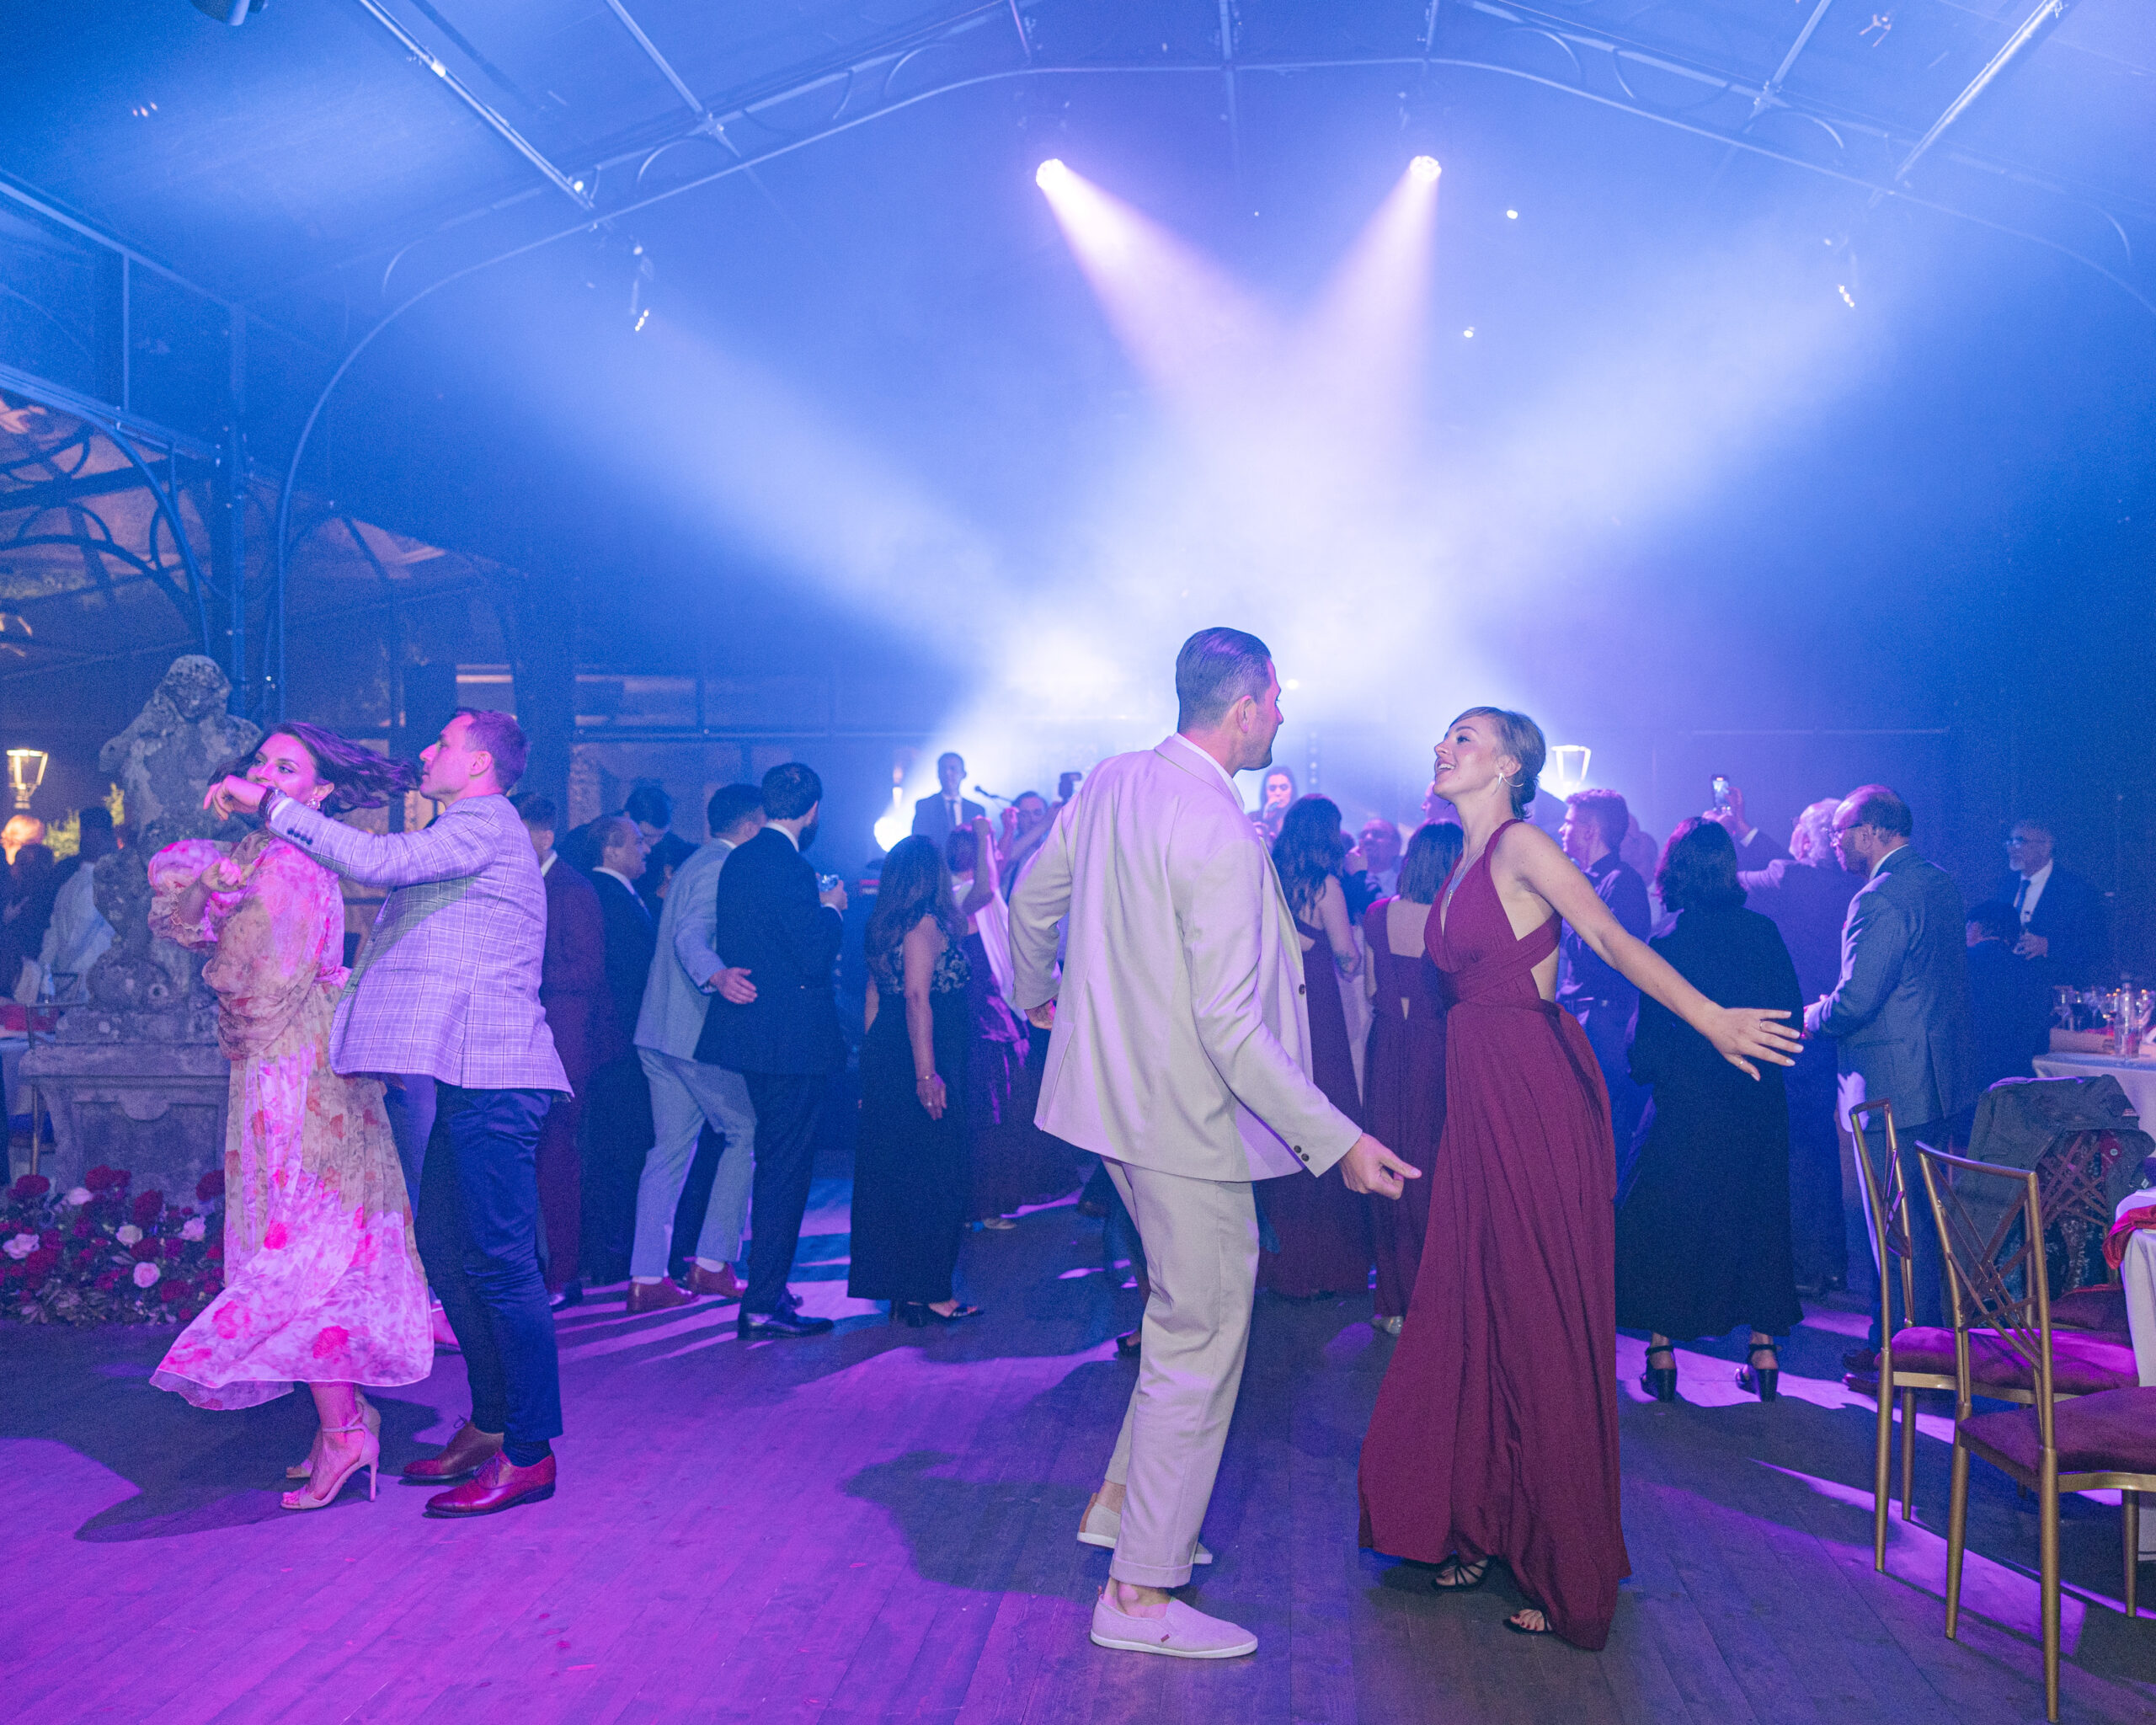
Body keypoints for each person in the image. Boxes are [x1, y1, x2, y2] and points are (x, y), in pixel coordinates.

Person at [1011, 627, 1416, 1661]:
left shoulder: (1110, 781)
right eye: (1276, 701)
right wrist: (1340, 1137)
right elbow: (1232, 1026)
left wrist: (1034, 997)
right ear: (1243, 707)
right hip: (1183, 1121)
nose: (1281, 717)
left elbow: (1030, 900)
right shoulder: (1222, 835)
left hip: (1112, 1108)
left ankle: (1117, 1502)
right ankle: (1139, 1592)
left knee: (1178, 1317)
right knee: (1201, 1337)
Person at [1359, 706, 1800, 1648]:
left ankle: (1567, 1565)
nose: (1445, 745)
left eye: (1467, 736)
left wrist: (1712, 1019)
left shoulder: (1522, 845)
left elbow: (1609, 938)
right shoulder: (1462, 863)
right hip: (1475, 1106)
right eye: (1443, 734)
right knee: (1471, 1311)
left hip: (1532, 1100)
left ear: (1513, 764)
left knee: (1534, 1316)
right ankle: (1475, 1522)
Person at [205, 708, 571, 1519]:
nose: (427, 753)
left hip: (501, 1078)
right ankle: (491, 1421)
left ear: (478, 765)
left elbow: (375, 860)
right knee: (447, 1248)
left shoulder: (486, 822)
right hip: (469, 1077)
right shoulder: (469, 831)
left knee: (505, 1269)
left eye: (442, 743)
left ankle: (530, 1452)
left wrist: (269, 805)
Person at [152, 723, 430, 1510]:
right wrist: (208, 884)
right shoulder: (260, 858)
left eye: (285, 767)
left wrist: (217, 942)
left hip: (292, 1076)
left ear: (317, 792)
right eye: (259, 763)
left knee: (300, 1243)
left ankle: (345, 1434)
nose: (261, 775)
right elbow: (186, 923)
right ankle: (341, 1423)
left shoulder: (289, 863)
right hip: (292, 1065)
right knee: (309, 1241)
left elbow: (257, 981)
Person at [1615, 820, 1804, 1402]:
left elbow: (1644, 1055)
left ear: (1674, 872)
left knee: (1663, 1221)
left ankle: (1663, 1353)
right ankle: (1764, 1352)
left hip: (1688, 1110)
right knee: (1759, 1219)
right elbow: (1790, 1022)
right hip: (1754, 1102)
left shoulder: (1668, 943)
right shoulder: (1764, 932)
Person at [1803, 784, 1977, 1354]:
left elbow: (1856, 1002)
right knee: (1923, 1223)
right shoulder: (1939, 881)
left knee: (1894, 1229)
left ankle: (1901, 1353)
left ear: (1875, 831)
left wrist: (1804, 1017)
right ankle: (1916, 1342)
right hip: (1939, 1080)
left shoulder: (1878, 897)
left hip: (1891, 1087)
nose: (1835, 843)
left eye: (1842, 832)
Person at [696, 761, 848, 1340]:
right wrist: (831, 909)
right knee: (786, 1169)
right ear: (812, 811)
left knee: (771, 1160)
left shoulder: (738, 859)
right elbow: (812, 954)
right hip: (793, 1042)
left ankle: (767, 1287)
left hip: (749, 1031)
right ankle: (762, 1304)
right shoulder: (794, 867)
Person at [626, 783, 766, 1313]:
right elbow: (691, 934)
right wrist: (717, 975)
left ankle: (646, 1276)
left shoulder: (692, 861)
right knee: (744, 1131)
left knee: (668, 1153)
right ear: (751, 826)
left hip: (659, 1031)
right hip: (692, 1032)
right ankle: (710, 1264)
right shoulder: (720, 865)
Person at [1732, 795, 1860, 1297]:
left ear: (1807, 837)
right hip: (1832, 1027)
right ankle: (1829, 1260)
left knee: (1789, 1146)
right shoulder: (1852, 882)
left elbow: (1734, 883)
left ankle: (1796, 1264)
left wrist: (1734, 838)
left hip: (1789, 1028)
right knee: (1821, 1145)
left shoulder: (1788, 876)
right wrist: (1746, 829)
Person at [849, 835, 979, 1324]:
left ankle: (902, 1287)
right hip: (922, 1054)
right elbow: (917, 999)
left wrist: (870, 1076)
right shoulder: (924, 926)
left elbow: (872, 1000)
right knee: (936, 1174)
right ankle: (932, 1291)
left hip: (887, 1054)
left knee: (893, 1176)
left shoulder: (882, 927)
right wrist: (926, 1073)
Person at [1259, 794, 1372, 1299]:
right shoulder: (1327, 886)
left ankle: (1284, 1264)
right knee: (1328, 1119)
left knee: (1284, 1118)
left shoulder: (1267, 876)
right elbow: (1347, 958)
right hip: (1317, 1006)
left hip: (1273, 1004)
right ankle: (1331, 1264)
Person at [1364, 821, 1461, 1333]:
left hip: (1387, 1050)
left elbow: (1371, 992)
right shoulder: (1450, 922)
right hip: (1434, 1050)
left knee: (1386, 1166)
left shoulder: (1378, 914)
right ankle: (1432, 1301)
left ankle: (1392, 1301)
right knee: (1431, 1171)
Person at [512, 794, 608, 1308]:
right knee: (537, 1159)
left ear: (544, 837)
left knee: (556, 1157)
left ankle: (563, 1275)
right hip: (539, 1039)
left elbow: (586, 973)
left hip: (564, 1041)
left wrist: (517, 975)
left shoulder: (571, 889)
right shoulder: (531, 884)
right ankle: (544, 1273)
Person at [1556, 788, 1652, 1187]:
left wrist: (1562, 908)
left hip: (1604, 1021)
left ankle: (1607, 1227)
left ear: (1590, 830)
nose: (1562, 829)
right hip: (1582, 1015)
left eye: (1569, 821)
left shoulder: (1622, 883)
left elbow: (1606, 957)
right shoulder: (1587, 880)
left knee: (1603, 1127)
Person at [580, 814, 656, 1284]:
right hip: (617, 1043)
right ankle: (610, 1256)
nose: (646, 849)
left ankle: (614, 1253)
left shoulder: (620, 896)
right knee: (616, 1150)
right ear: (611, 849)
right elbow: (626, 976)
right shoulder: (606, 897)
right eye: (638, 841)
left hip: (619, 1042)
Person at [1998, 819, 2108, 989]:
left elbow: (2095, 946)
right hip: (2009, 986)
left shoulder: (2075, 890)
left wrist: (2048, 946)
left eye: (2020, 841)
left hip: (2054, 989)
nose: (2012, 848)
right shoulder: (2005, 885)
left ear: (2044, 847)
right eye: (2010, 841)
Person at [1965, 899, 2052, 1092]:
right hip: (2017, 1091)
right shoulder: (2034, 973)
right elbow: (2041, 1043)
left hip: (1968, 1090)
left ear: (1975, 927)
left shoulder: (1960, 967)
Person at [39, 805, 118, 1001]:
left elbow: (52, 936)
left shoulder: (70, 883)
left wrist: (46, 974)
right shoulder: (97, 886)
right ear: (101, 836)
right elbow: (77, 938)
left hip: (67, 984)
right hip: (88, 986)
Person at [0, 842, 60, 1001]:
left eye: (24, 864)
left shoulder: (41, 901)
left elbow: (35, 938)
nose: (15, 867)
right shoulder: (10, 894)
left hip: (29, 971)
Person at [626, 782, 696, 918]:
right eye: (646, 836)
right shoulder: (595, 837)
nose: (653, 843)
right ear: (628, 816)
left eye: (661, 835)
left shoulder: (672, 844)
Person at [911, 752, 985, 847]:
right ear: (938, 774)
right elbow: (918, 841)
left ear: (964, 774)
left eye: (953, 769)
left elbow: (982, 845)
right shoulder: (925, 806)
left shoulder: (976, 810)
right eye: (943, 769)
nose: (948, 773)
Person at [1252, 764, 1296, 842]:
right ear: (1265, 791)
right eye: (1272, 788)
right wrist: (1264, 819)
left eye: (1283, 787)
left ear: (1292, 790)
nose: (1278, 793)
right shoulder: (1253, 818)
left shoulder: (1300, 819)